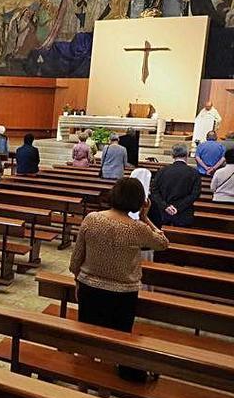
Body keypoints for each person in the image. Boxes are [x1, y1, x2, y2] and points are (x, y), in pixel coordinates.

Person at [69, 178, 168, 381]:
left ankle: (83, 384)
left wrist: (78, 280)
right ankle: (104, 388)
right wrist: (145, 217)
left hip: (90, 288)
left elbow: (75, 259)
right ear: (140, 201)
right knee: (115, 341)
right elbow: (163, 243)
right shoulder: (137, 228)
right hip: (123, 294)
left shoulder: (92, 219)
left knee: (88, 338)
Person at [148, 144, 202, 227]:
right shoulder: (193, 172)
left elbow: (154, 191)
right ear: (187, 154)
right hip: (184, 213)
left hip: (163, 213)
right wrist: (178, 207)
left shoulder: (162, 171)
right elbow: (195, 194)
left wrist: (165, 206)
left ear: (172, 155)